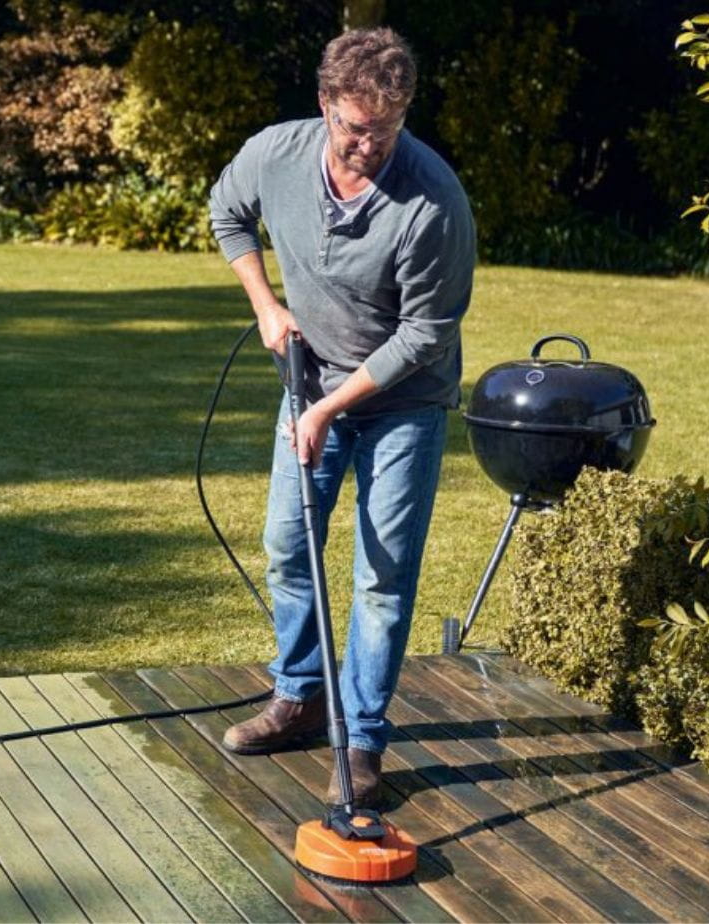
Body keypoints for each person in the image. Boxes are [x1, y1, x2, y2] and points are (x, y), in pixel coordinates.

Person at [208, 26, 475, 806]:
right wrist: (266, 304)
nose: (369, 146)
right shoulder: (277, 153)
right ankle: (299, 696)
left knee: (382, 576)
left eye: (386, 131)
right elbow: (228, 212)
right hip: (309, 380)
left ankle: (360, 739)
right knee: (288, 545)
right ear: (326, 104)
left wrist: (327, 405)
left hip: (404, 404)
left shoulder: (433, 200)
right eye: (356, 128)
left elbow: (426, 334)